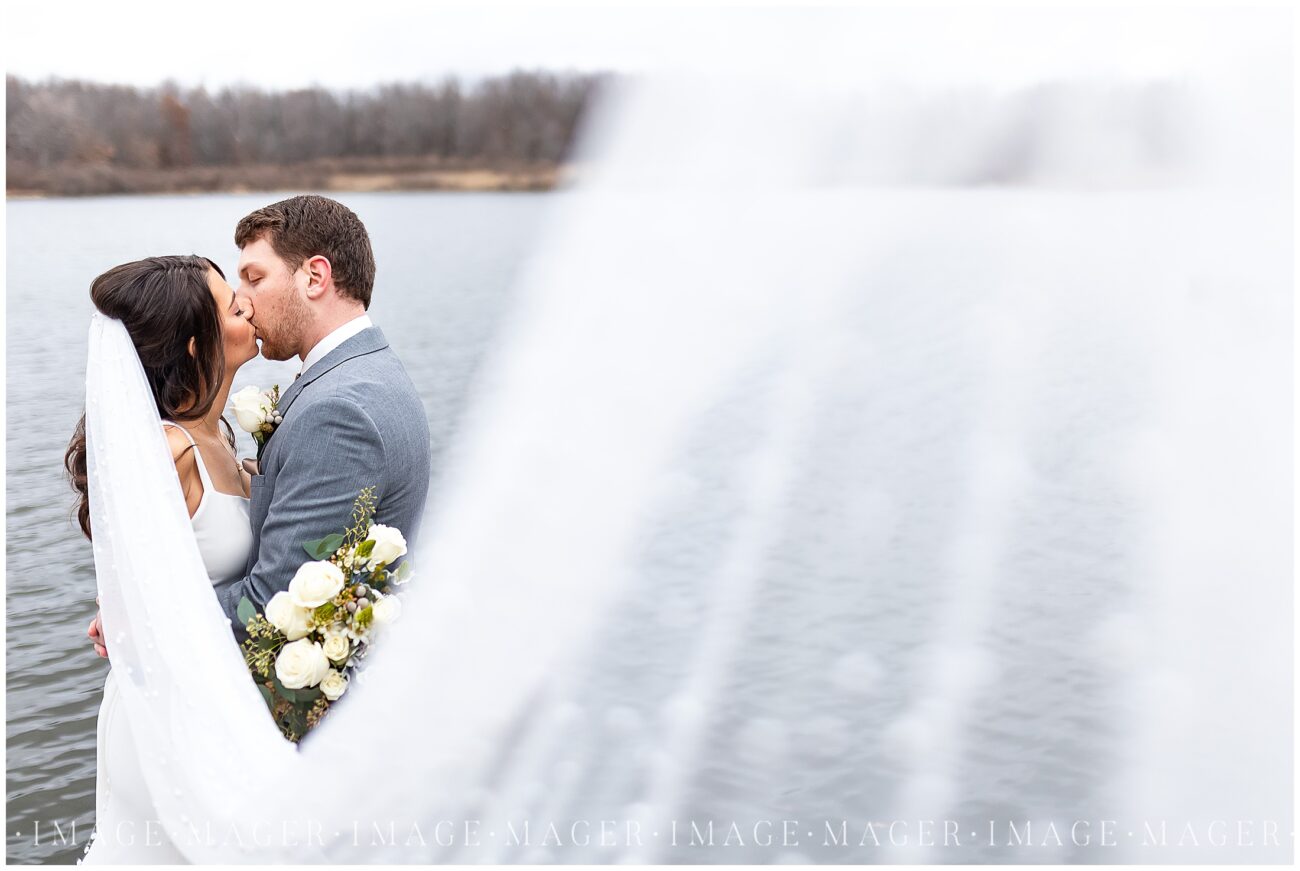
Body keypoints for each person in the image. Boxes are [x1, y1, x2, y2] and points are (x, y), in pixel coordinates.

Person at [76, 196, 432, 860]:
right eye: (231, 293)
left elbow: (271, 600)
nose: (243, 301)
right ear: (193, 342)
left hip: (232, 711)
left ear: (315, 277)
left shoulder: (332, 410)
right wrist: (133, 612)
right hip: (178, 722)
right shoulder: (199, 440)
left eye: (253, 278)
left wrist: (140, 617)